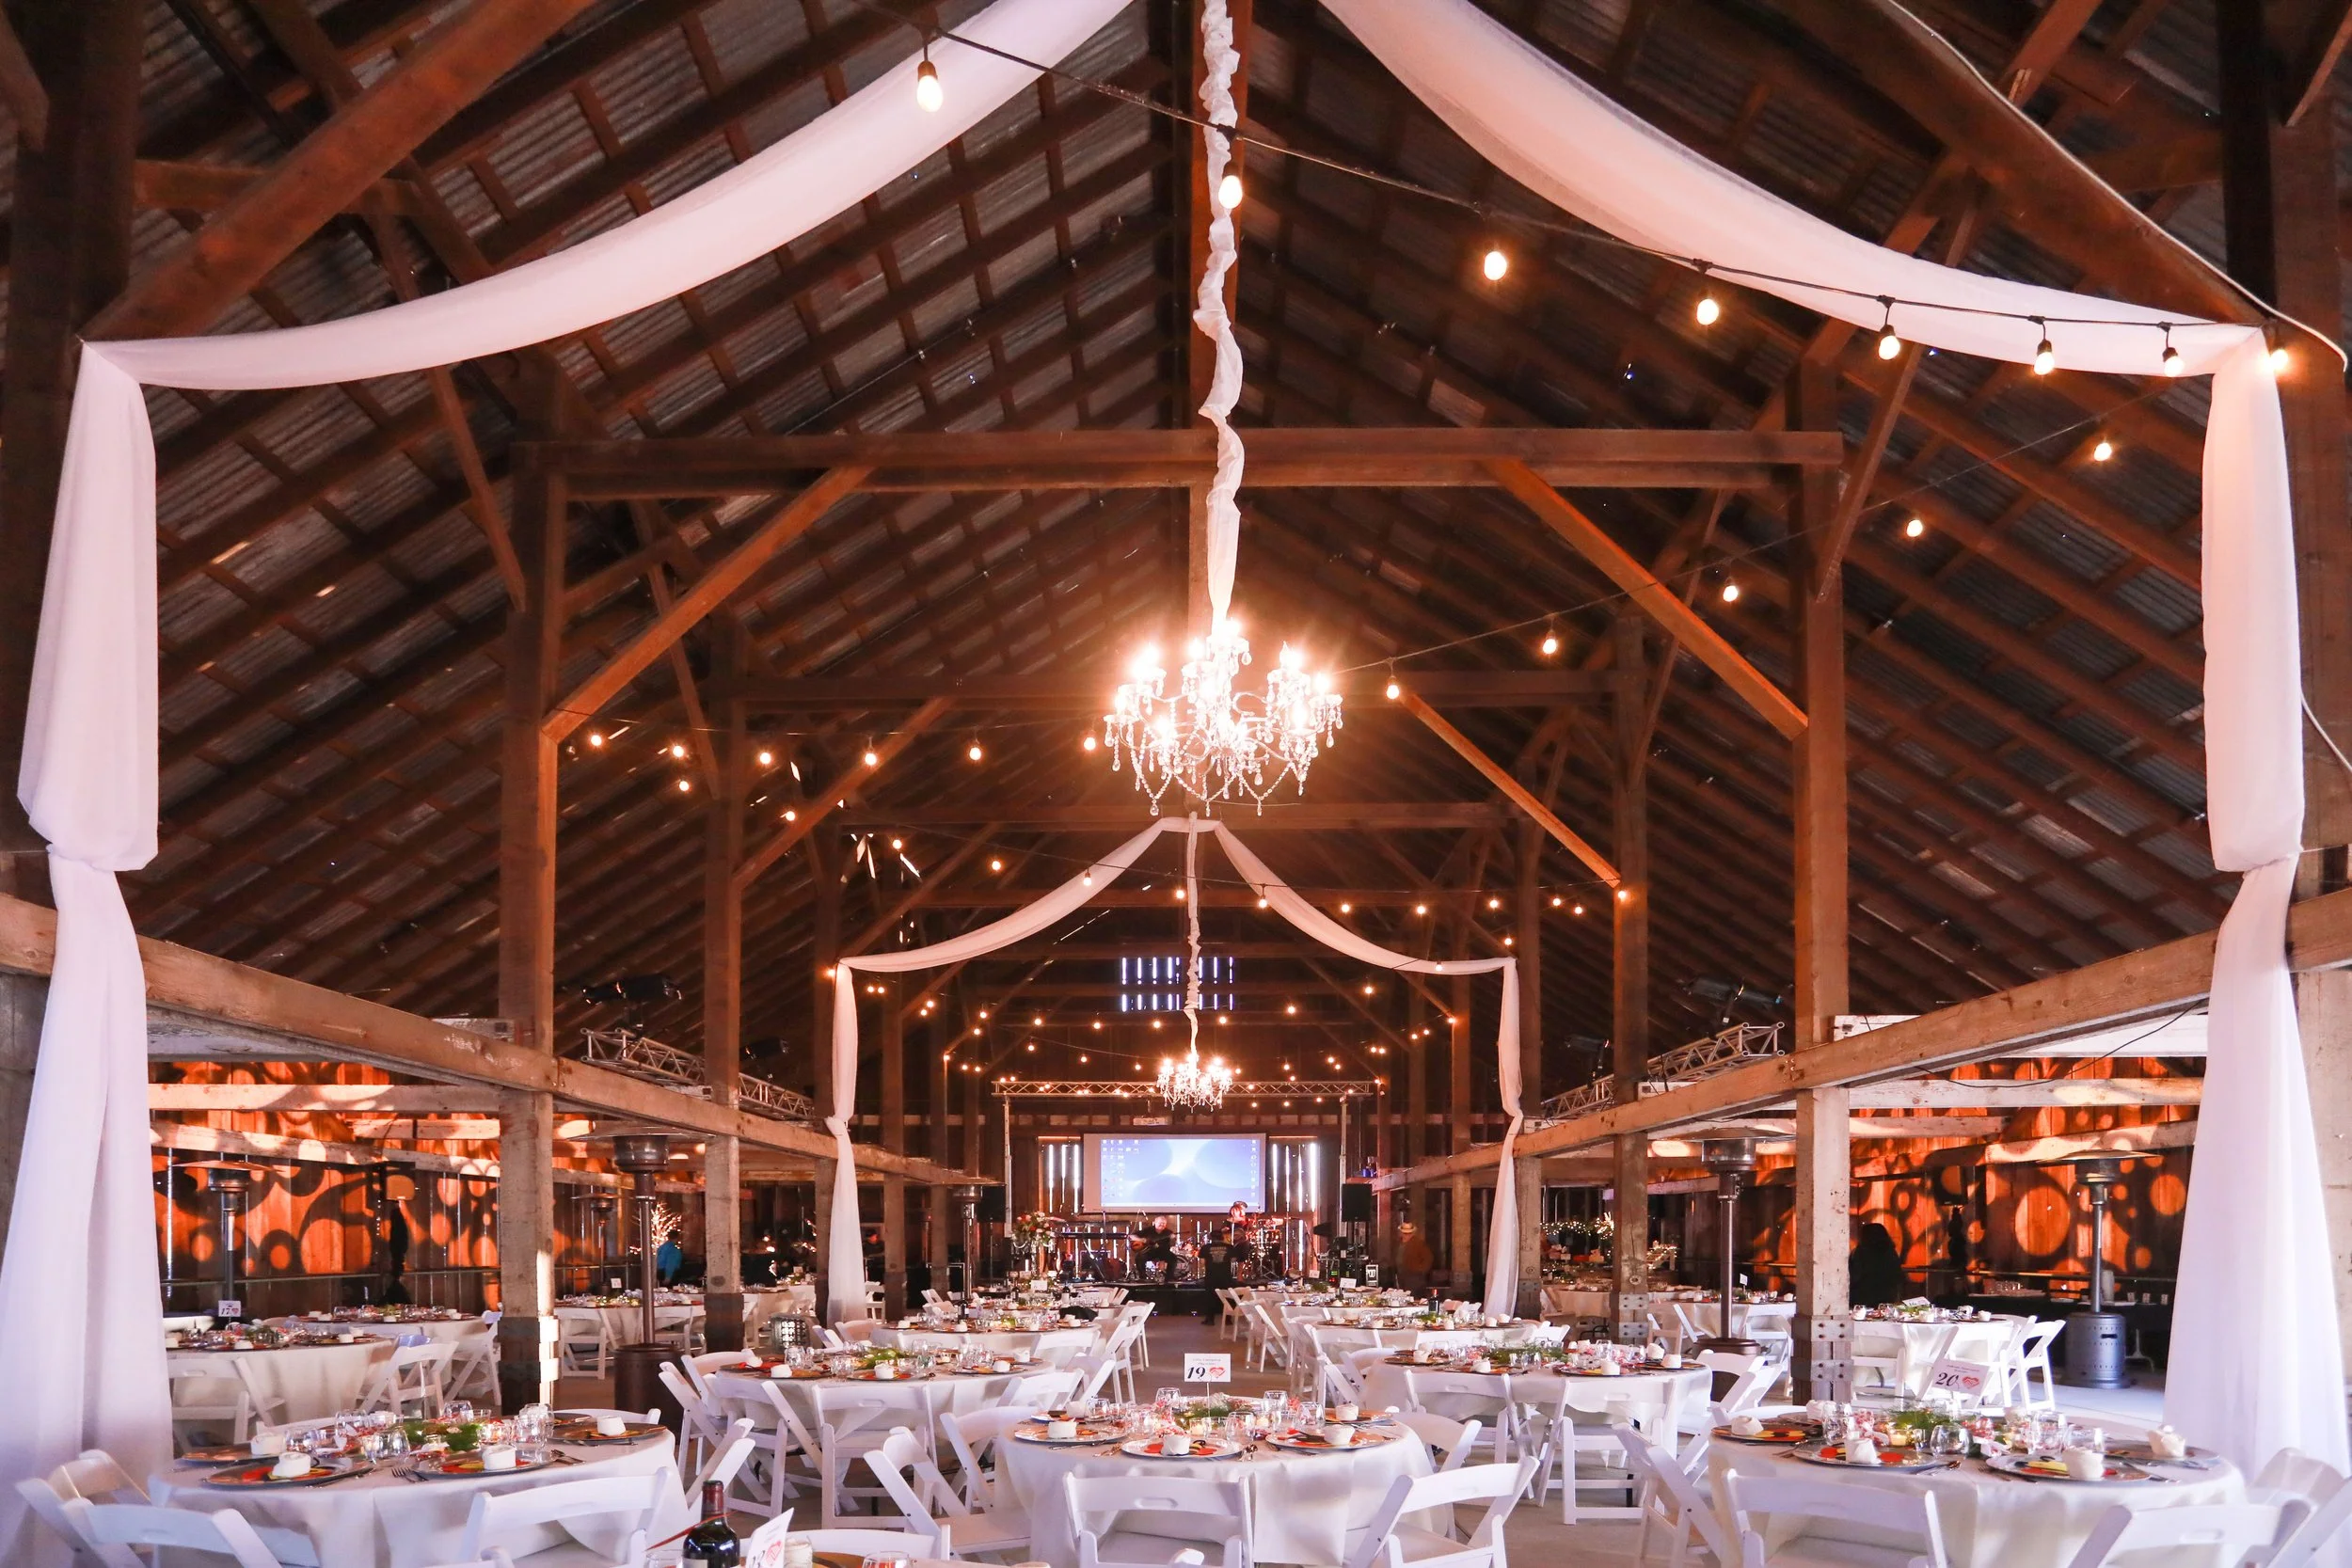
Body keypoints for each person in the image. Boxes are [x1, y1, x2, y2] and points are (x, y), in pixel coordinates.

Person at [1850, 1222, 1906, 1307]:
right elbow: (1897, 1275)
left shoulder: (1861, 1252)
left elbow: (1855, 1274)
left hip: (1863, 1295)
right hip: (1887, 1295)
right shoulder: (1890, 1252)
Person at [1197, 1225, 1239, 1320]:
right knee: (1227, 1297)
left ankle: (1210, 1319)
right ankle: (1228, 1319)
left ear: (1211, 1238)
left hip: (1211, 1275)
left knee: (1210, 1297)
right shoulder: (1229, 1247)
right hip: (1225, 1275)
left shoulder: (1205, 1248)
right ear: (1222, 1237)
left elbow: (1203, 1262)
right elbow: (1233, 1260)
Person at [1395, 1221, 1434, 1292]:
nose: (1407, 1235)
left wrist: (1419, 1271)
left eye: (1409, 1233)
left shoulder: (1419, 1243)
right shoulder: (1398, 1243)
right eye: (1405, 1233)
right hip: (1401, 1275)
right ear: (1401, 1233)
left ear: (1412, 1233)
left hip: (1414, 1277)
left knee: (1412, 1296)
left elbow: (1428, 1259)